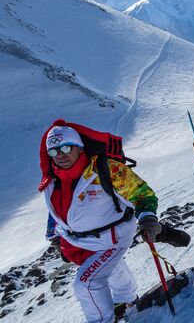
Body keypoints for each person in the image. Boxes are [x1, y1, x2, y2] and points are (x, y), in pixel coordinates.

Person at [39, 123, 161, 322]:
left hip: (112, 237)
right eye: (53, 150)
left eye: (65, 147)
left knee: (87, 283)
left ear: (79, 146)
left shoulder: (104, 169)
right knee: (108, 268)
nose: (60, 155)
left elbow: (141, 192)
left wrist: (147, 217)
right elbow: (57, 209)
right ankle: (127, 298)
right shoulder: (53, 180)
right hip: (80, 240)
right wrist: (55, 234)